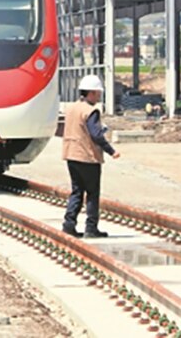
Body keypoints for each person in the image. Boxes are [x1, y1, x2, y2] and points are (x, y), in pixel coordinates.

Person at [61, 74, 120, 238]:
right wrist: (111, 150)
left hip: (71, 155)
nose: (99, 96)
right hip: (87, 156)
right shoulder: (91, 111)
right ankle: (91, 228)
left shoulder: (71, 108)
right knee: (92, 193)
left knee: (77, 191)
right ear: (92, 93)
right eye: (98, 93)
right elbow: (96, 135)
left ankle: (69, 224)